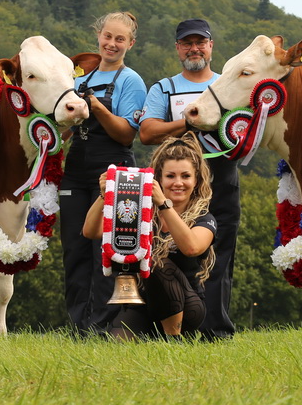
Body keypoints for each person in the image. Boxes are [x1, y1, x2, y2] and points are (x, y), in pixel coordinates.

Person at [138, 18, 239, 341]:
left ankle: (216, 331)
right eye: (187, 43)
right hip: (177, 185)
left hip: (222, 177)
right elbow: (147, 131)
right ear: (178, 48)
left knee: (220, 257)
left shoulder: (228, 84)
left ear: (211, 46)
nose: (194, 48)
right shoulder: (164, 88)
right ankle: (170, 328)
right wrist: (187, 122)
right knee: (168, 256)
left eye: (201, 42)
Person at [60, 11, 147, 335]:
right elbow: (66, 130)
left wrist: (95, 106)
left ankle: (101, 326)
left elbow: (126, 133)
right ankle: (77, 326)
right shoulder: (77, 80)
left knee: (105, 251)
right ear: (98, 36)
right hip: (75, 170)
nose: (111, 44)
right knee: (74, 247)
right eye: (107, 36)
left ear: (130, 44)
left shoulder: (130, 81)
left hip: (115, 171)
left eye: (119, 39)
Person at [82, 133, 215, 339]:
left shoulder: (204, 217)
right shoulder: (142, 212)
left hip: (188, 308)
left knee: (154, 260)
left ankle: (174, 338)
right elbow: (91, 231)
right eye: (170, 176)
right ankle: (156, 334)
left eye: (186, 176)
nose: (178, 183)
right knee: (118, 345)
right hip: (144, 304)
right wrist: (104, 194)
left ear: (196, 181)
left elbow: (191, 248)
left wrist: (163, 204)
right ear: (159, 179)